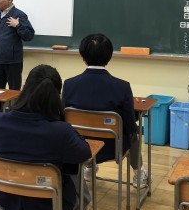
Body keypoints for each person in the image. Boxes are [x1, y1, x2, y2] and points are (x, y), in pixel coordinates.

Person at [0, 64, 93, 210]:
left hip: (6, 202)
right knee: (74, 171)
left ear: (25, 88)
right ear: (56, 97)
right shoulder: (60, 131)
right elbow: (85, 153)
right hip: (50, 208)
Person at [62, 33, 148, 188]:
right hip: (113, 148)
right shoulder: (122, 87)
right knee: (135, 131)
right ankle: (139, 174)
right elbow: (129, 126)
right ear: (109, 56)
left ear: (83, 56)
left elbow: (63, 120)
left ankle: (88, 167)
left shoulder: (69, 85)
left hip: (80, 146)